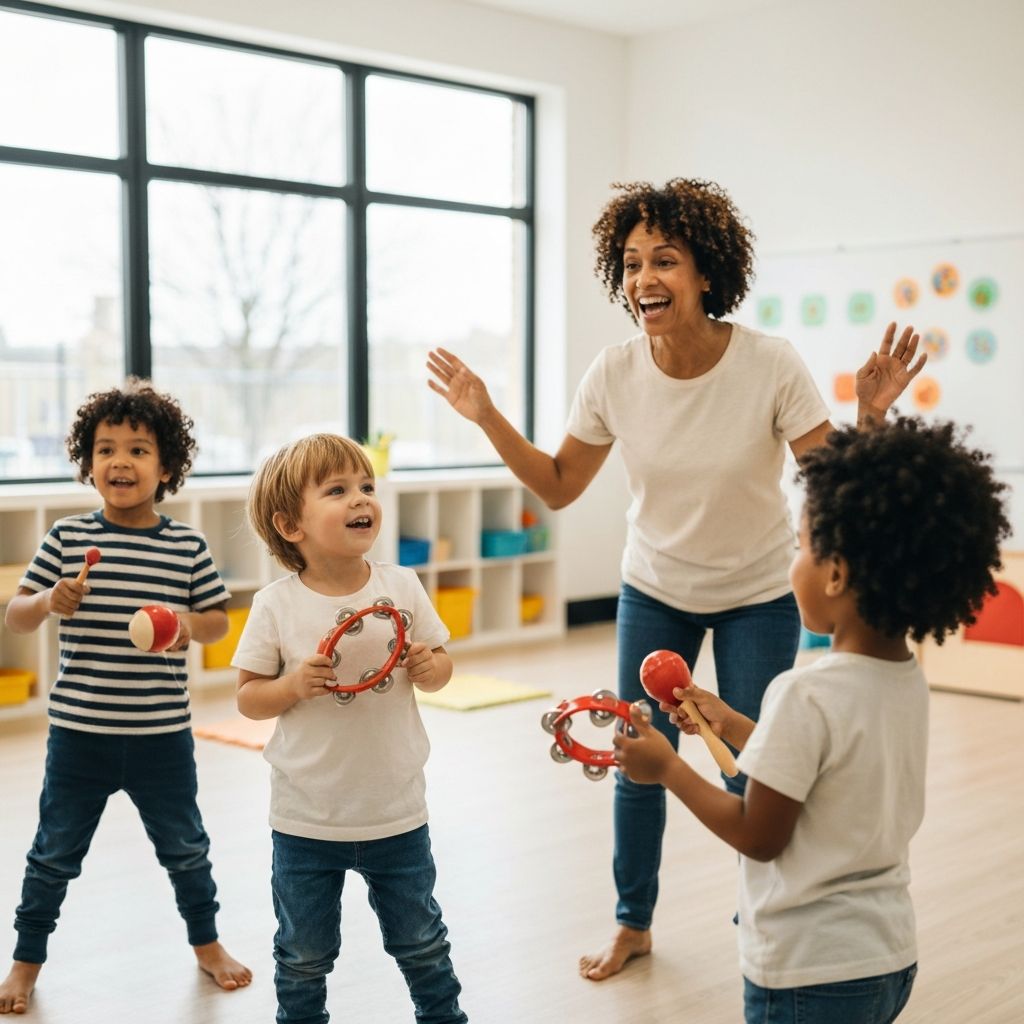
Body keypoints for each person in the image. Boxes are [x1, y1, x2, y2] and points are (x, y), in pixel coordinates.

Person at [426, 177, 927, 980]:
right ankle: (633, 923)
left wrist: (870, 416)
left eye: (664, 260)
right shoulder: (615, 373)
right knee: (638, 755)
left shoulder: (769, 364)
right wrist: (487, 415)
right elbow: (559, 485)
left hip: (759, 593)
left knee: (759, 762)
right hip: (655, 587)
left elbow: (835, 486)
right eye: (631, 264)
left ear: (705, 274)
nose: (643, 279)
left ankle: (762, 917)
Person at [613, 415, 1010, 1023]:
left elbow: (758, 834)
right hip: (887, 957)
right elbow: (826, 771)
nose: (793, 563)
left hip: (809, 972)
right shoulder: (905, 680)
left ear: (836, 573)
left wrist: (668, 768)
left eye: (800, 547)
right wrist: (733, 724)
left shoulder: (803, 693)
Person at [0, 379, 251, 1016]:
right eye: (106, 449)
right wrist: (48, 600)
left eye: (138, 450)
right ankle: (25, 962)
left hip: (161, 737)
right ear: (88, 464)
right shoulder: (66, 539)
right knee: (53, 854)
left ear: (166, 467)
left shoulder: (186, 545)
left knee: (186, 849)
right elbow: (16, 617)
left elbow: (217, 622)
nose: (120, 461)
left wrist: (184, 625)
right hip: (78, 736)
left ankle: (207, 945)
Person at [233, 433, 468, 1024]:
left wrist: (431, 667)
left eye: (366, 486)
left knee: (422, 944)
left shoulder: (402, 585)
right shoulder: (275, 605)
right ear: (291, 525)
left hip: (396, 812)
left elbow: (441, 664)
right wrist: (291, 686)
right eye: (337, 490)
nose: (361, 498)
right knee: (303, 955)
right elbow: (249, 699)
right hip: (306, 820)